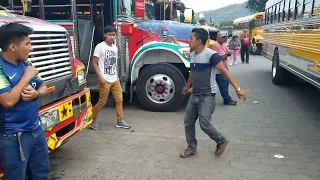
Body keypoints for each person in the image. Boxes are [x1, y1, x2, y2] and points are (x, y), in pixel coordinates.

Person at [180, 28, 247, 158]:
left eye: (191, 39)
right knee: (188, 122)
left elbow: (225, 72)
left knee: (204, 124)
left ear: (199, 41)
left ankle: (221, 141)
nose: (189, 41)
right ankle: (191, 148)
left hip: (207, 96)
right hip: (195, 94)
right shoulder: (193, 54)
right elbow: (192, 73)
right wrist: (187, 86)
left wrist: (238, 89)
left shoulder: (211, 55)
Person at [0, 23, 50, 179]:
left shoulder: (26, 63)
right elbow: (7, 101)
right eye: (27, 43)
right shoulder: (1, 68)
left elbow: (44, 88)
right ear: (13, 47)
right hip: (14, 136)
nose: (31, 48)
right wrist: (27, 76)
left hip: (36, 130)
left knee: (41, 174)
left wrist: (36, 94)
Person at [90, 25, 131, 130]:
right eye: (109, 35)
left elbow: (114, 63)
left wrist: (117, 76)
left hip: (114, 78)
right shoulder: (100, 47)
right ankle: (91, 119)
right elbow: (93, 63)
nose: (112, 37)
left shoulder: (115, 48)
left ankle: (120, 121)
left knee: (119, 99)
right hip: (104, 79)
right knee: (102, 101)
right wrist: (100, 77)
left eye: (113, 35)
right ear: (105, 35)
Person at [211, 31, 237, 106]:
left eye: (225, 37)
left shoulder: (223, 44)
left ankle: (227, 99)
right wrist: (226, 54)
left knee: (226, 83)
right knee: (223, 85)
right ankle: (227, 100)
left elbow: (228, 53)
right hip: (218, 70)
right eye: (222, 37)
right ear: (217, 37)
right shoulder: (216, 45)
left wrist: (226, 54)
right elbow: (223, 56)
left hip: (223, 68)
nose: (224, 39)